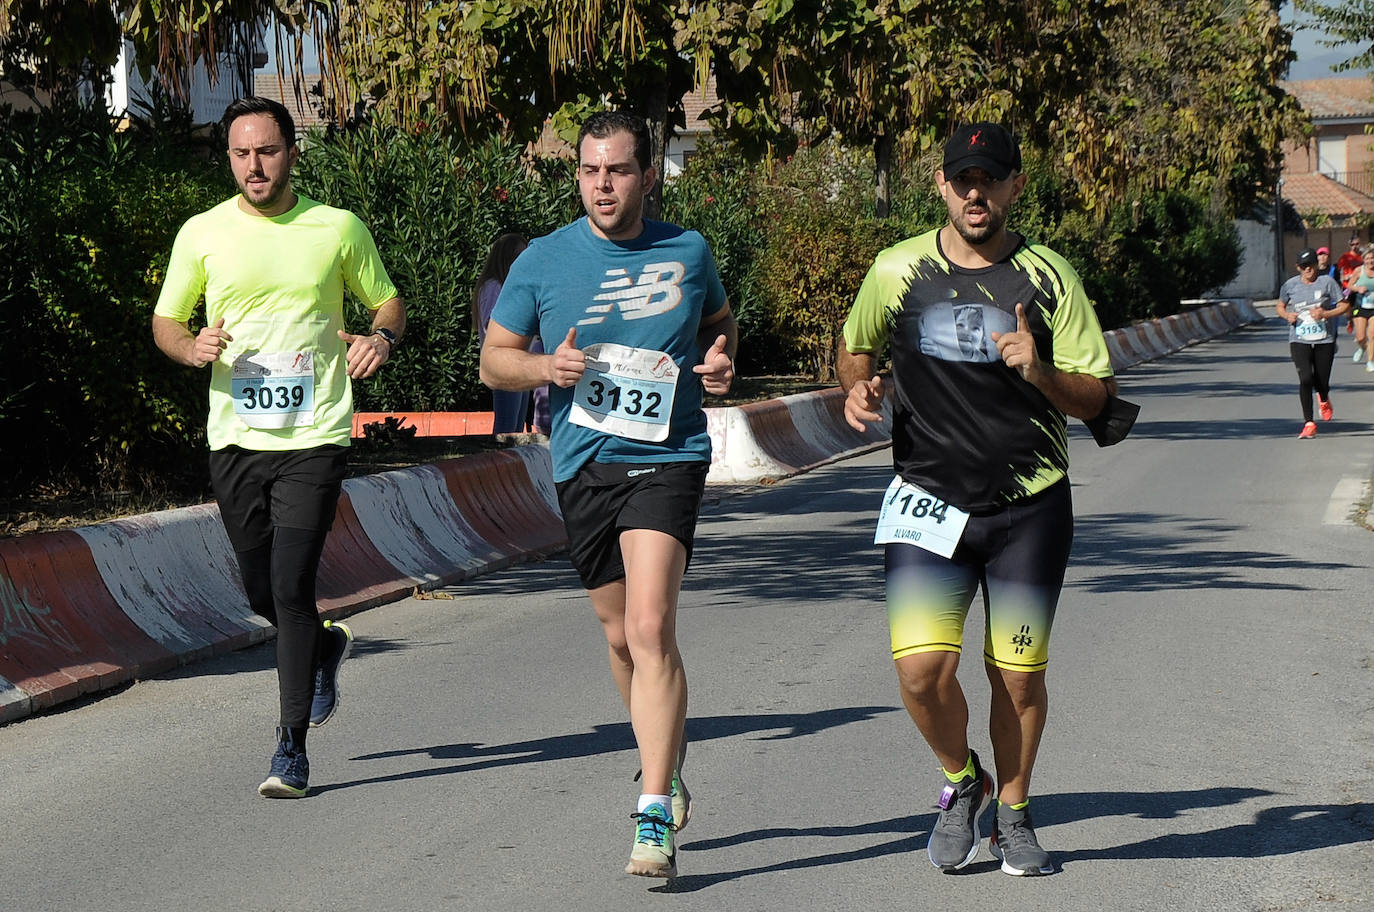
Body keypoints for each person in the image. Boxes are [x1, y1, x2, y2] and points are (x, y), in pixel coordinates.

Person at [838, 122, 1118, 877]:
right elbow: (855, 344)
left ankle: (1017, 812)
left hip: (1028, 505)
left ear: (1015, 187)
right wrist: (855, 384)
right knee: (921, 675)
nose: (975, 192)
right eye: (962, 178)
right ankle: (966, 780)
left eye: (990, 178)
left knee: (1018, 675)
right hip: (927, 503)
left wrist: (1041, 374)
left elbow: (1098, 397)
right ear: (940, 184)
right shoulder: (897, 271)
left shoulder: (1050, 276)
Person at [479, 110, 737, 880]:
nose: (602, 185)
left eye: (617, 171)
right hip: (583, 463)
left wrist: (722, 365)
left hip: (668, 455)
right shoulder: (542, 260)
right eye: (590, 171)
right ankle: (667, 759)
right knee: (621, 637)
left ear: (646, 176)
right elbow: (495, 362)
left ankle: (652, 812)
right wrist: (544, 372)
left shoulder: (687, 249)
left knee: (653, 625)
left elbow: (720, 328)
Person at [152, 96, 406, 798]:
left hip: (315, 431)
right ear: (229, 158)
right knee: (260, 587)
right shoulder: (202, 233)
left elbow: (388, 302)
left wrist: (381, 339)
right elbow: (167, 321)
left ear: (292, 151)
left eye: (267, 150)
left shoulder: (335, 228)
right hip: (236, 434)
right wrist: (190, 348)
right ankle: (323, 646)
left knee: (293, 585)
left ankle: (289, 748)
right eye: (242, 153)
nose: (255, 165)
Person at [472, 232, 552, 438]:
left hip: (519, 362)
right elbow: (494, 325)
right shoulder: (494, 287)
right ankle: (498, 466)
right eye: (519, 256)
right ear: (506, 258)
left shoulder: (505, 287)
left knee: (515, 427)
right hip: (505, 362)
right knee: (507, 427)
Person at [1277, 247, 1348, 438]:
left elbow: (1344, 305)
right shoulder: (1290, 285)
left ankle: (1323, 397)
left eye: (1311, 265)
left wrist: (1325, 314)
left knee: (1321, 381)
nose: (1308, 269)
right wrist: (1287, 315)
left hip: (1324, 338)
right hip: (1299, 338)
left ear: (1317, 265)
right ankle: (1309, 423)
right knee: (1305, 378)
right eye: (1304, 266)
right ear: (1298, 267)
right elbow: (1280, 305)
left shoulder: (1327, 282)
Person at [1342, 244, 1374, 371]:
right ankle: (1362, 347)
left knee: (1372, 335)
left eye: (1372, 258)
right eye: (1368, 258)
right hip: (1360, 306)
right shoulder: (1359, 271)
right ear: (1363, 259)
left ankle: (1370, 362)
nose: (1370, 261)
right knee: (1360, 337)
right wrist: (1358, 288)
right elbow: (1349, 286)